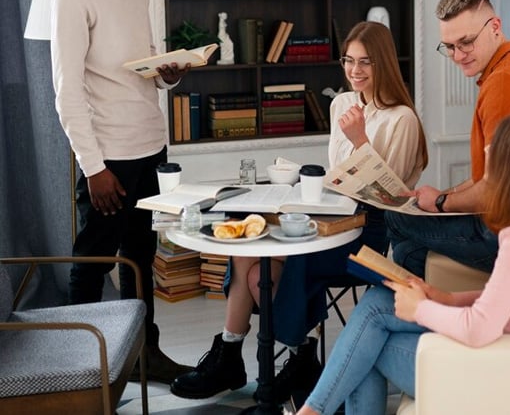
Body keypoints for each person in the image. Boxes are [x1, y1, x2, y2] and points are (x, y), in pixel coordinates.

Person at [171, 20, 428, 404]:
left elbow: (390, 196)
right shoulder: (342, 103)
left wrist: (360, 139)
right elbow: (339, 175)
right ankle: (239, 353)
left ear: (384, 63)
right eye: (348, 60)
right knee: (250, 254)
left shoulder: (401, 118)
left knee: (278, 263)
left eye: (365, 62)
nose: (354, 70)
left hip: (368, 231)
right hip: (332, 213)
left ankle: (295, 357)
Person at [296, 113, 510, 415]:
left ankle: (313, 410)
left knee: (367, 346)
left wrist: (421, 308)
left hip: (499, 375)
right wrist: (445, 298)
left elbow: (478, 329)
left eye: (496, 147)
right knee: (378, 302)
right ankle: (313, 410)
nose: (486, 150)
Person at [51, 0, 192, 383]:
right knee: (92, 264)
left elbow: (142, 59)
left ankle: (142, 356)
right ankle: (84, 371)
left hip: (151, 147)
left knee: (140, 260)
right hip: (108, 159)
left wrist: (166, 75)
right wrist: (93, 168)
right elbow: (67, 93)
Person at [386, 0, 510, 276]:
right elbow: (489, 176)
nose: (458, 56)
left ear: (495, 27)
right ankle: (427, 295)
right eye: (449, 47)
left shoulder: (505, 83)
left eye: (466, 42)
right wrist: (442, 195)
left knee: (396, 220)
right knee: (409, 247)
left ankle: (422, 301)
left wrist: (441, 203)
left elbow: (494, 190)